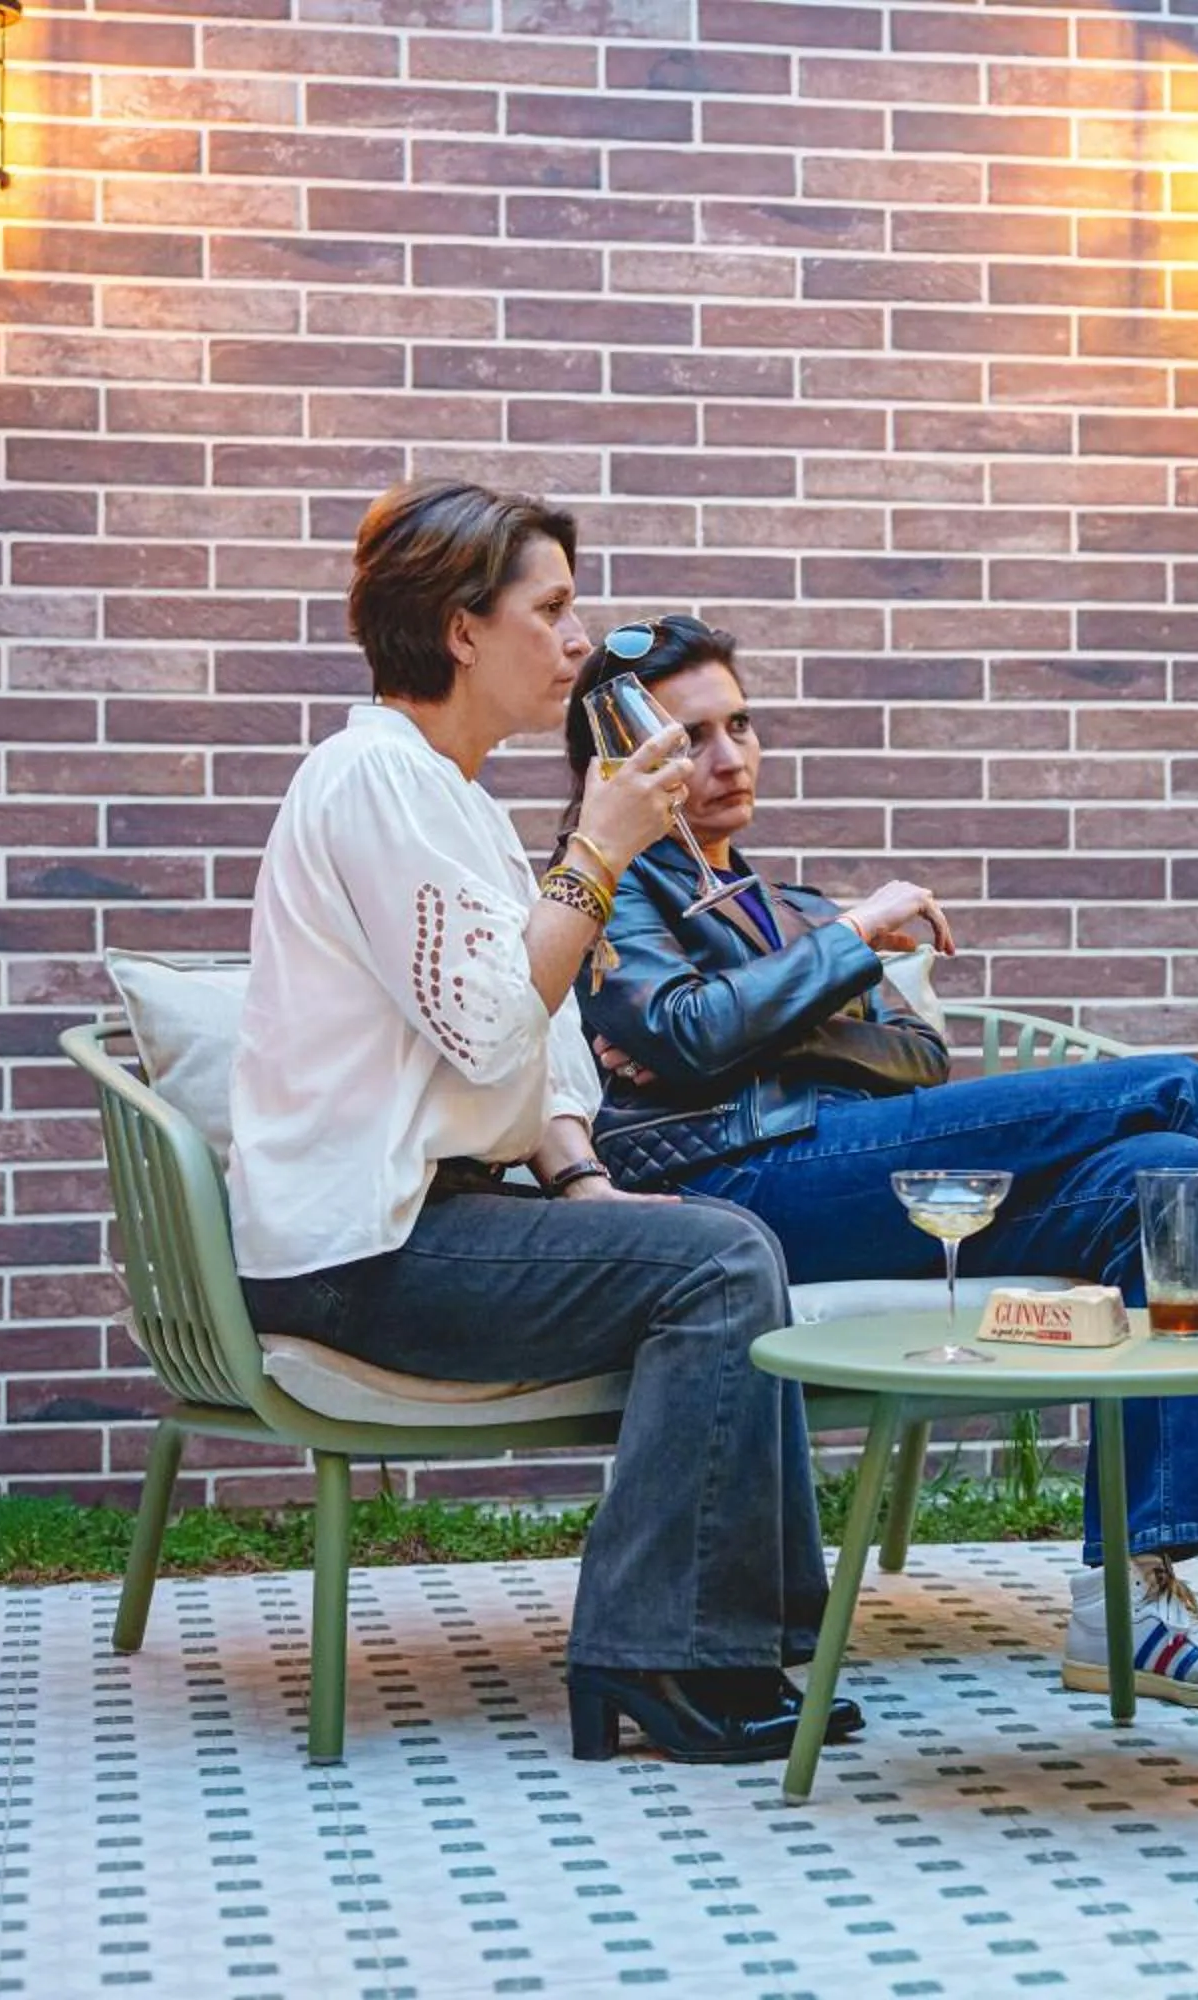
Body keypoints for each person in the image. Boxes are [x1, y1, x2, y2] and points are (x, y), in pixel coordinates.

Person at [558, 613, 1198, 1712]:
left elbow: (912, 1051)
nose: (730, 757)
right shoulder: (620, 884)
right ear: (629, 756)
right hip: (736, 1187)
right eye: (695, 735)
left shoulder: (790, 906)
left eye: (742, 724)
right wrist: (838, 954)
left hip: (850, 1165)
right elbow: (680, 1031)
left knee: (1172, 1169)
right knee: (1176, 1083)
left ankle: (1126, 1601)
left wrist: (769, 1005)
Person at [227, 478, 852, 1768]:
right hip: (361, 1250)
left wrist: (580, 1181)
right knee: (723, 1260)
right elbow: (494, 1029)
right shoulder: (372, 781)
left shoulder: (445, 794)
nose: (581, 642)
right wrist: (600, 849)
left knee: (712, 1238)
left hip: (429, 1222)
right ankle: (662, 1649)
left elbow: (544, 1057)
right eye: (555, 609)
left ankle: (759, 1630)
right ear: (463, 628)